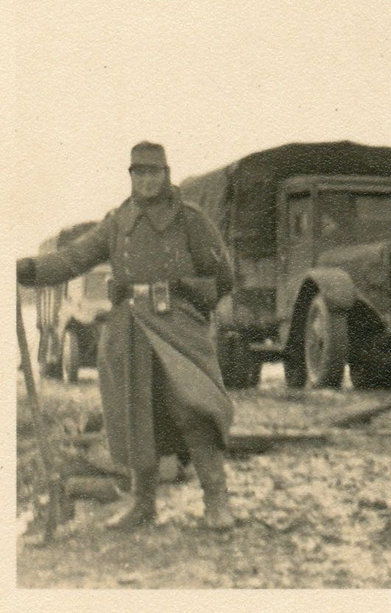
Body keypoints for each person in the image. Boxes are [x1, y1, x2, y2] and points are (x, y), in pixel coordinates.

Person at [16, 142, 235, 530]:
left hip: (179, 329)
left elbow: (222, 275)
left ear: (166, 174)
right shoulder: (118, 221)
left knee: (195, 407)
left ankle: (217, 502)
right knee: (135, 414)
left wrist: (192, 304)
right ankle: (143, 503)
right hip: (130, 330)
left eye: (154, 172)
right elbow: (74, 257)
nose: (147, 180)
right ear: (131, 176)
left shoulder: (190, 219)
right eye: (139, 172)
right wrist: (29, 270)